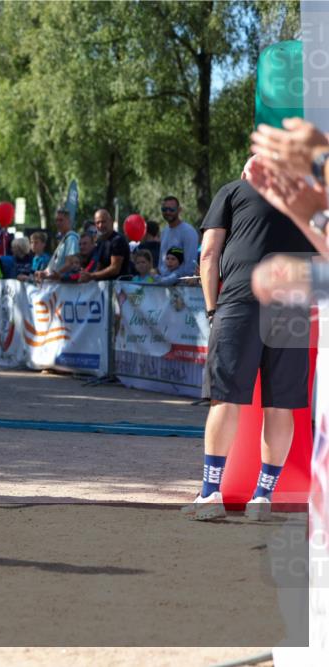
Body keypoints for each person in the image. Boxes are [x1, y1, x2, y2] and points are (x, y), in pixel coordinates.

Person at [182, 158, 315, 521]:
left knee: (225, 399)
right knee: (280, 406)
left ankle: (210, 494)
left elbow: (208, 254)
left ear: (246, 176)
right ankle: (263, 498)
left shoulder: (231, 192)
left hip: (242, 298)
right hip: (293, 305)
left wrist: (211, 310)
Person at [78, 209, 131, 282]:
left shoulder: (118, 240)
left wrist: (91, 276)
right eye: (97, 223)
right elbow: (100, 266)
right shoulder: (100, 241)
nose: (100, 225)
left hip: (120, 288)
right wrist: (86, 275)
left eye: (103, 222)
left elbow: (115, 269)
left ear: (111, 222)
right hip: (104, 288)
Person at [158, 196, 199, 280]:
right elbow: (161, 262)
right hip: (163, 287)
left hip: (183, 286)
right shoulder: (164, 231)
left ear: (179, 210)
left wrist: (173, 277)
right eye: (164, 209)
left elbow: (190, 265)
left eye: (171, 209)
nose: (168, 212)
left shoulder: (188, 232)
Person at [36, 209, 79, 280]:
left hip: (64, 285)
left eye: (61, 220)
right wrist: (44, 272)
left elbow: (69, 264)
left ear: (69, 221)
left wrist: (52, 275)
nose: (58, 223)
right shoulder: (64, 239)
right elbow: (56, 263)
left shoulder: (71, 238)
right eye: (56, 220)